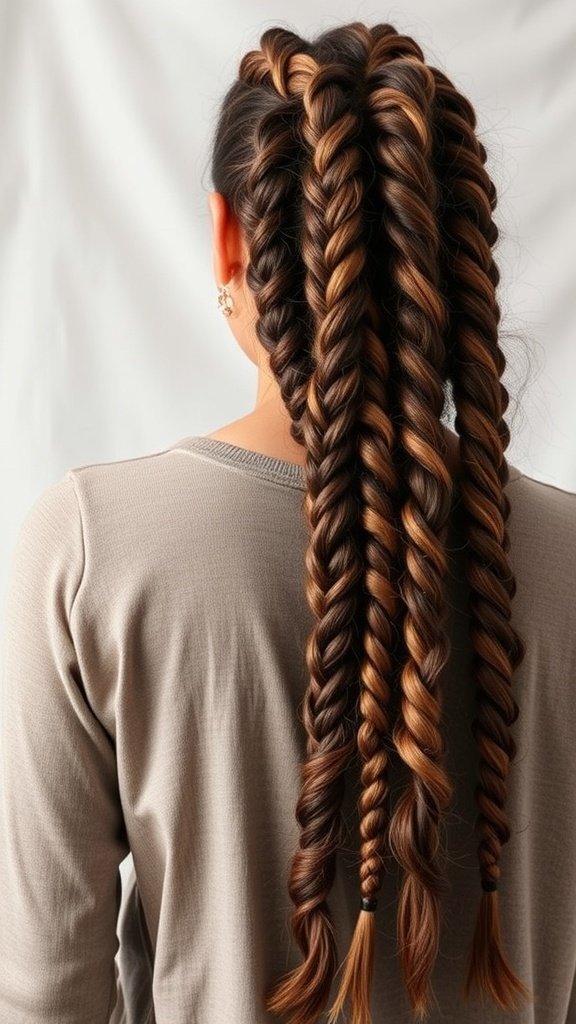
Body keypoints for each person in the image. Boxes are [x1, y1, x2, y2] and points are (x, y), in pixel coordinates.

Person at [0, 18, 575, 1024]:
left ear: (231, 235)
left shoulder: (92, 550)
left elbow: (48, 994)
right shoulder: (568, 562)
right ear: (450, 263)